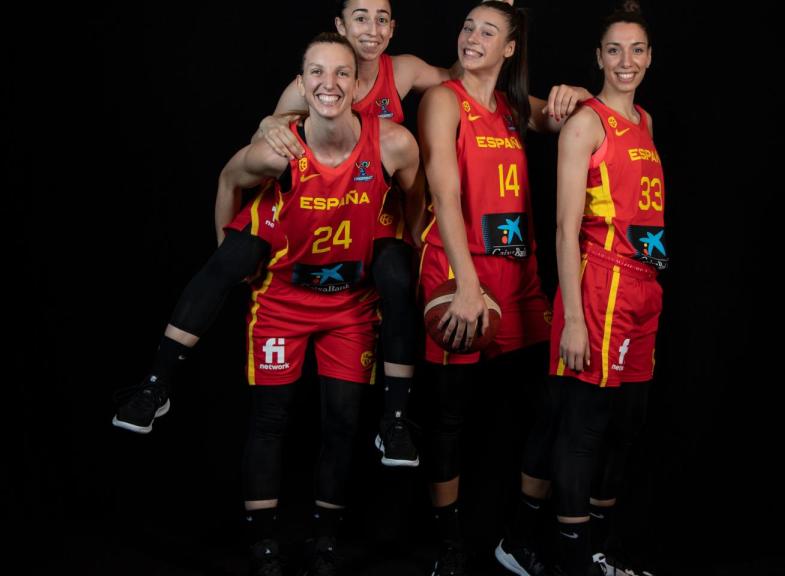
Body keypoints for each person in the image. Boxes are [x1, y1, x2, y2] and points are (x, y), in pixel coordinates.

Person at [115, 33, 425, 576]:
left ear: (357, 85)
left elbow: (416, 195)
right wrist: (226, 249)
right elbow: (228, 179)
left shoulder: (393, 143)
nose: (329, 84)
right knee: (270, 419)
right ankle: (159, 393)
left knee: (342, 422)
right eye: (317, 75)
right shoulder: (279, 149)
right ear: (302, 86)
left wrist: (399, 237)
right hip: (283, 297)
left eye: (340, 74)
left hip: (349, 304)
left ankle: (326, 542)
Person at [245, 0, 586, 469]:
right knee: (245, 266)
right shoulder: (321, 85)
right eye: (468, 27)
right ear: (340, 25)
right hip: (335, 227)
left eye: (381, 18)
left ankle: (403, 425)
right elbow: (261, 143)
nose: (371, 27)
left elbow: (541, 108)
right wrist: (268, 123)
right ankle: (398, 420)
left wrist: (579, 96)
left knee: (538, 404)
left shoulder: (407, 73)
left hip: (448, 243)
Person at [417, 2, 591, 574]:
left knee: (550, 409)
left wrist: (573, 94)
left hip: (519, 282)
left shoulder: (516, 107)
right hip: (456, 273)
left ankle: (516, 537)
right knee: (448, 418)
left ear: (510, 48)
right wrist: (465, 284)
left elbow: (578, 119)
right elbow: (444, 194)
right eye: (467, 25)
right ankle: (448, 546)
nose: (471, 36)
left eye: (488, 31)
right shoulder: (444, 99)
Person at [495, 6, 663, 576]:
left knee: (623, 423)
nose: (626, 61)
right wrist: (572, 320)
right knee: (584, 422)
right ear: (598, 57)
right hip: (599, 284)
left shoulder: (644, 120)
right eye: (614, 50)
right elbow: (566, 227)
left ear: (649, 58)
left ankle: (596, 549)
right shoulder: (586, 122)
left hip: (645, 288)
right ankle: (575, 558)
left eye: (637, 50)